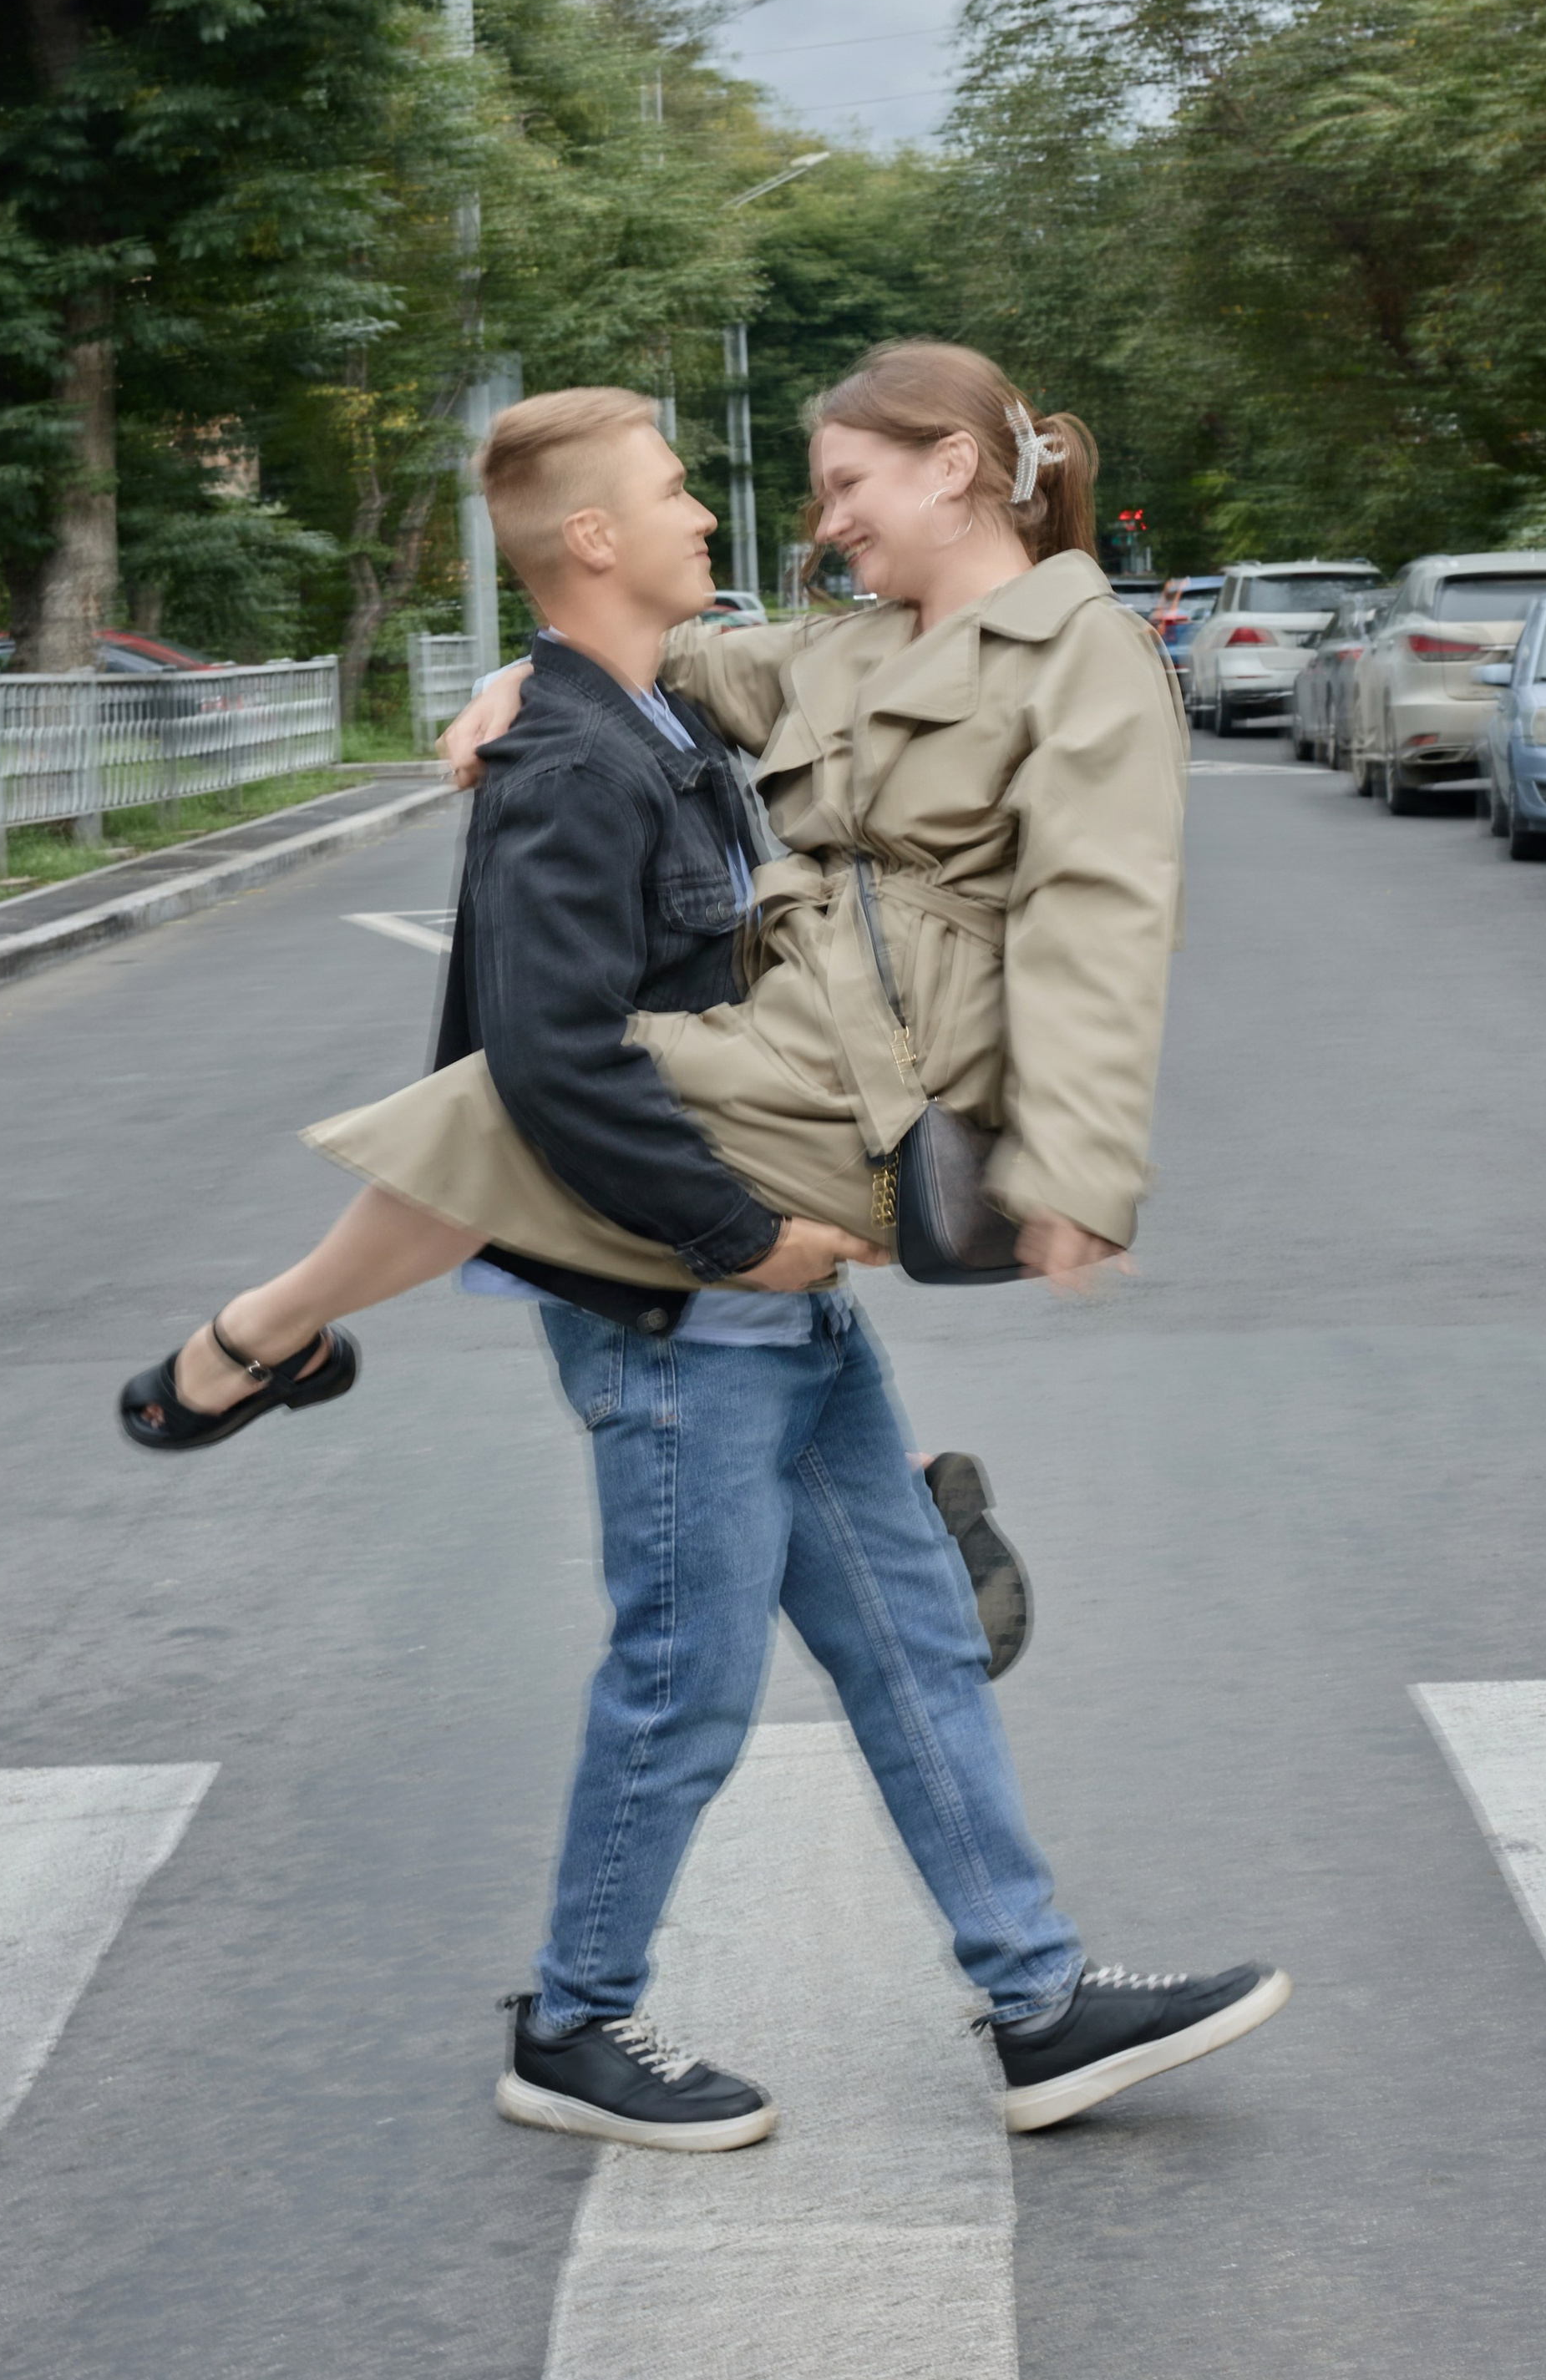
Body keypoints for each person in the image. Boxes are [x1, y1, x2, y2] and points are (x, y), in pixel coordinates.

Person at [119, 348, 1290, 2140]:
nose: (799, 524)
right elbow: (633, 709)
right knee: (685, 1651)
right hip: (731, 1211)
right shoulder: (820, 659)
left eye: (841, 486)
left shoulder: (1066, 656)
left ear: (964, 472)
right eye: (742, 489)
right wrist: (523, 679)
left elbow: (1101, 917)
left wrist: (1068, 1164)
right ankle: (573, 2025)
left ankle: (1034, 1998)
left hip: (826, 1162)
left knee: (907, 1635)